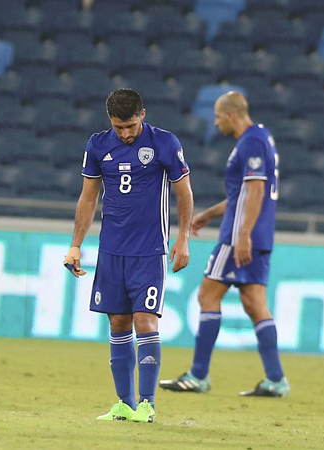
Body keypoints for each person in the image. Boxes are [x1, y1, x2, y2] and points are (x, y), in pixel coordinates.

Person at [63, 89, 194, 423]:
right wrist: (76, 244)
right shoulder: (97, 145)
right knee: (118, 322)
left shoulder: (164, 142)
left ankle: (147, 405)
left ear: (142, 115)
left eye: (131, 126)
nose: (125, 134)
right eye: (118, 127)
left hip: (149, 250)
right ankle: (124, 403)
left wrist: (183, 238)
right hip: (111, 250)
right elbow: (88, 198)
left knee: (145, 320)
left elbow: (184, 193)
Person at [159, 92, 289, 397]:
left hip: (239, 236)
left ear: (231, 115)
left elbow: (256, 191)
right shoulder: (263, 137)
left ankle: (198, 375)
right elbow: (242, 195)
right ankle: (276, 380)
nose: (216, 123)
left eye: (218, 117)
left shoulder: (250, 142)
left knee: (207, 295)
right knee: (254, 302)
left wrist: (243, 235)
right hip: (261, 235)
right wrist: (208, 214)